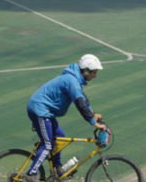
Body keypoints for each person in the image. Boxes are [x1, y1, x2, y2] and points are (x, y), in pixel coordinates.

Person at [23, 54, 107, 182]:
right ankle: (31, 174)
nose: (95, 75)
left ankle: (57, 168)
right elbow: (80, 104)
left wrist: (93, 113)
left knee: (60, 137)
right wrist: (93, 122)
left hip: (47, 112)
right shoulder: (71, 81)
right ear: (86, 71)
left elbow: (84, 100)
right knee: (47, 145)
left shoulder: (75, 80)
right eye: (94, 72)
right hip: (39, 110)